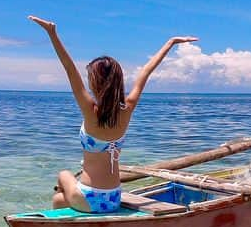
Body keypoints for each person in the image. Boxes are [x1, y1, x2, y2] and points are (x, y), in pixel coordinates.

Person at [28, 16, 197, 213]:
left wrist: (52, 34)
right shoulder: (128, 108)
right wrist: (170, 43)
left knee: (64, 175)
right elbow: (146, 72)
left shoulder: (91, 111)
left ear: (95, 82)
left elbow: (69, 67)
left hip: (88, 196)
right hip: (113, 197)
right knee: (59, 200)